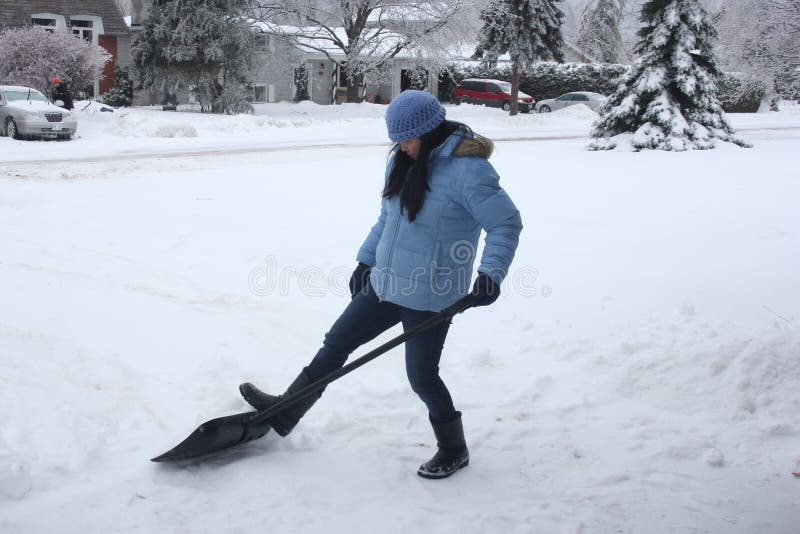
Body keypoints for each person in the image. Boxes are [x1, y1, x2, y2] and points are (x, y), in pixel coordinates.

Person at [240, 90, 522, 479]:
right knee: (337, 342)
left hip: (431, 293)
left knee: (421, 376)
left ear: (431, 131)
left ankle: (454, 448)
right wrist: (366, 259)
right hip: (386, 281)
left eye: (407, 139)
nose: (401, 147)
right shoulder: (403, 163)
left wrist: (491, 274)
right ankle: (288, 410)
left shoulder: (468, 170)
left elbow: (505, 224)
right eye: (397, 140)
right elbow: (388, 218)